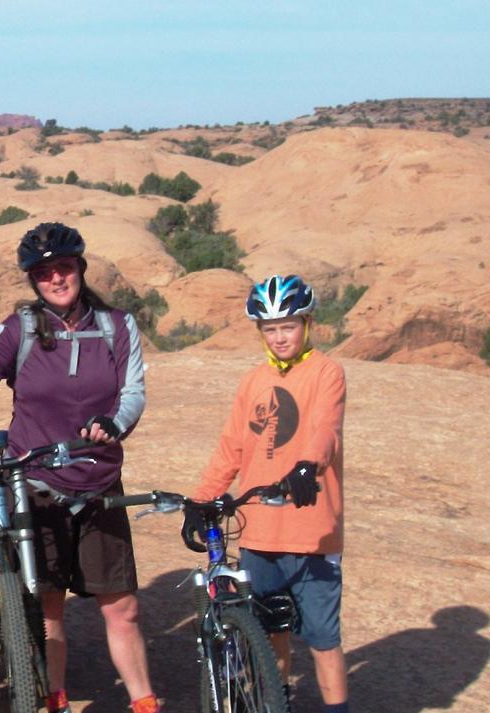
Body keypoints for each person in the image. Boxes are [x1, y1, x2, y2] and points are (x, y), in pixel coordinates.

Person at [0, 222, 161, 713]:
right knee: (48, 609)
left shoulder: (116, 325)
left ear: (80, 269)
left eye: (64, 268)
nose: (56, 279)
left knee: (122, 607)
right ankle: (54, 699)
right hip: (37, 484)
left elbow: (133, 393)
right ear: (33, 281)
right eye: (44, 273)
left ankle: (144, 702)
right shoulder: (19, 330)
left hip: (99, 481)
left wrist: (115, 422)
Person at [190, 273, 348, 712]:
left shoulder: (326, 372)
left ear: (308, 323)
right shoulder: (252, 381)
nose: (280, 337)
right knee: (269, 635)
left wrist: (307, 464)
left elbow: (325, 428)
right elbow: (233, 448)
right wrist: (201, 499)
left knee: (322, 639)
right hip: (259, 531)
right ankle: (278, 704)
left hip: (312, 534)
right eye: (271, 328)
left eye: (289, 325)